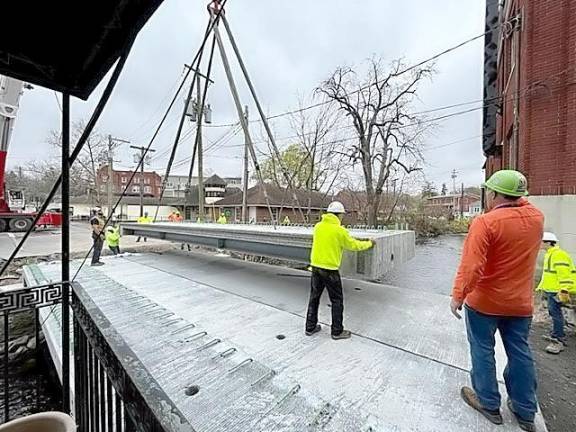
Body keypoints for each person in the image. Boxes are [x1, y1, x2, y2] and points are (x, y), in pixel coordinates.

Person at [451, 170, 544, 432]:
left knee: (482, 349)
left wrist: (458, 296)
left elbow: (471, 267)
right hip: (520, 304)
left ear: (493, 193)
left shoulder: (485, 222)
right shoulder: (537, 218)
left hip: (485, 303)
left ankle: (488, 402)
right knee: (520, 352)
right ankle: (525, 410)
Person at [305, 201, 374, 340]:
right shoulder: (340, 231)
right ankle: (337, 331)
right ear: (339, 215)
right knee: (337, 300)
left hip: (316, 268)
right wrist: (369, 243)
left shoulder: (318, 227)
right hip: (330, 270)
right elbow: (353, 245)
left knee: (314, 298)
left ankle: (310, 327)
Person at [537, 231, 576, 354]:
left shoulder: (558, 255)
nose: (540, 244)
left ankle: (558, 339)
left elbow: (564, 274)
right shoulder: (551, 254)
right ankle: (556, 333)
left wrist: (564, 290)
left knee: (556, 314)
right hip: (551, 290)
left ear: (548, 242)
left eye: (541, 242)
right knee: (554, 313)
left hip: (557, 291)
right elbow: (549, 274)